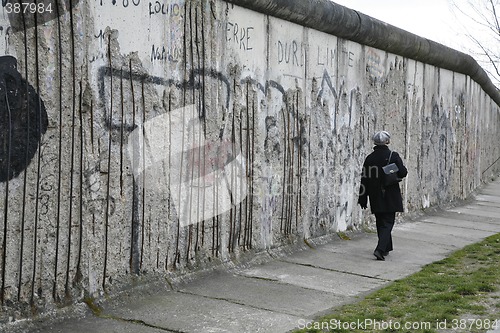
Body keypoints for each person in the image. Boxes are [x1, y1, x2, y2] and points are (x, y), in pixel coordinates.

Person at [358, 131, 408, 261]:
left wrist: (362, 198)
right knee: (388, 222)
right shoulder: (393, 155)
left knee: (381, 222)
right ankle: (380, 249)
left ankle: (386, 247)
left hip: (375, 194)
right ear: (388, 142)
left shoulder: (370, 158)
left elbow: (364, 178)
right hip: (390, 194)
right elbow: (403, 172)